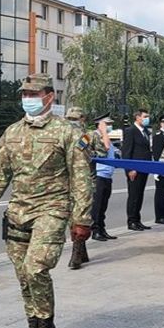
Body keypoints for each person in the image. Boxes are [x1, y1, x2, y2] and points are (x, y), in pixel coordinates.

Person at [0, 73, 92, 328]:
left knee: (35, 268)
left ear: (49, 96)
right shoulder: (13, 132)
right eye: (24, 93)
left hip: (52, 209)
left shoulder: (67, 132)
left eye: (32, 93)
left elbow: (81, 177)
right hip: (18, 211)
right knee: (23, 275)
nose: (27, 98)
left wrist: (82, 218)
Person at [64, 107, 95, 270]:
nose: (72, 123)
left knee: (79, 217)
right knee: (75, 217)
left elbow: (85, 157)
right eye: (70, 119)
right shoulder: (77, 135)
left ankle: (77, 254)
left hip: (79, 181)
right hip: (70, 181)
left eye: (74, 119)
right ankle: (81, 252)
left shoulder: (84, 136)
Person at [121, 108, 153, 230]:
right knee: (133, 195)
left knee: (140, 195)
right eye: (145, 116)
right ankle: (131, 221)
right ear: (138, 117)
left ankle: (137, 219)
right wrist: (129, 169)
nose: (147, 119)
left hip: (144, 168)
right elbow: (126, 152)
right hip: (134, 170)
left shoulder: (145, 131)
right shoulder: (131, 131)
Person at [91, 113, 118, 241]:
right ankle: (95, 230)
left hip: (107, 176)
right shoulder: (91, 135)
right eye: (107, 124)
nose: (109, 127)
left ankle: (102, 229)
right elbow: (105, 148)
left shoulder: (106, 137)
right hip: (98, 176)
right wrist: (103, 131)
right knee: (97, 205)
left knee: (103, 205)